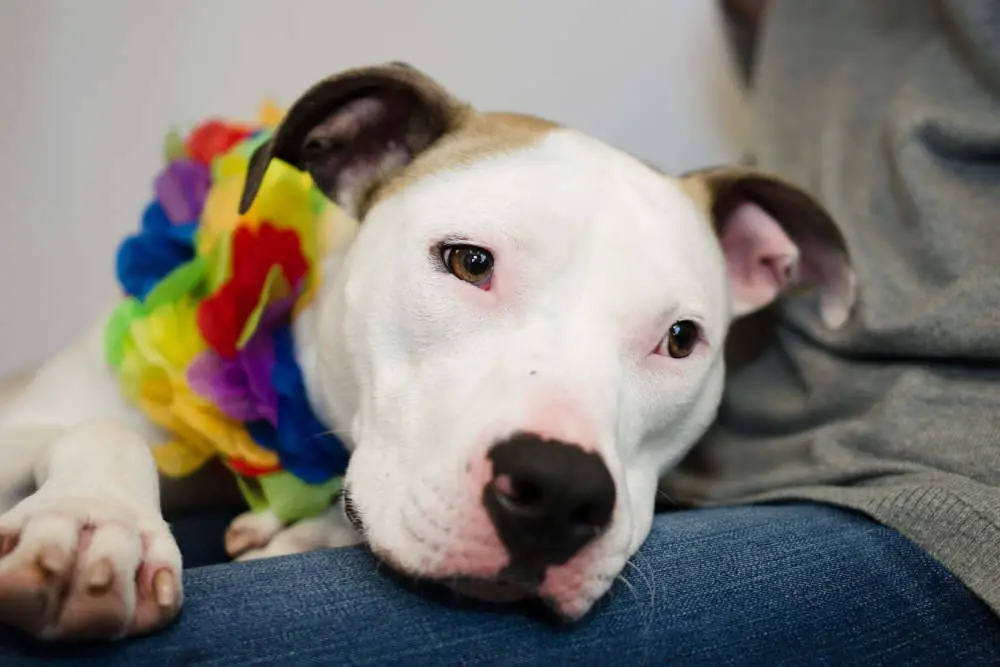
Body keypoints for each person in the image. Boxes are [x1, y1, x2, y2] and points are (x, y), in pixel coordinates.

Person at [3, 0, 999, 663]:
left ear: (759, 273)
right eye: (470, 264)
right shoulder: (199, 326)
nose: (561, 444)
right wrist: (101, 463)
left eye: (674, 340)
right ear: (349, 152)